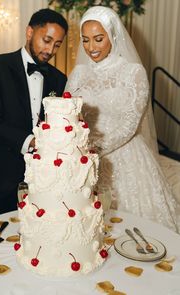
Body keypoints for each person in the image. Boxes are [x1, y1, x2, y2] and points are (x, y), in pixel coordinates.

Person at [66, 6, 180, 232]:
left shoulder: (133, 72)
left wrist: (95, 150)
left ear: (113, 35)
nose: (91, 47)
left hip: (126, 156)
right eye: (86, 40)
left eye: (98, 39)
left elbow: (130, 124)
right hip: (84, 159)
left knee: (132, 232)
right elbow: (69, 113)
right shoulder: (78, 73)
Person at [0, 9, 68, 219]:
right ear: (30, 32)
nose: (50, 50)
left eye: (57, 45)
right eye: (46, 40)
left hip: (42, 180)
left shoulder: (59, 79)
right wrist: (32, 142)